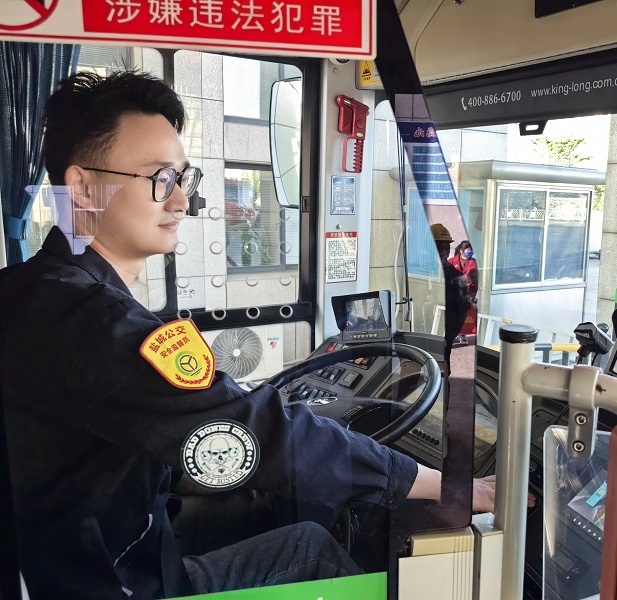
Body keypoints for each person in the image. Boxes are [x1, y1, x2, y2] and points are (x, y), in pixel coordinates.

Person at [0, 71, 497, 600]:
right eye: (160, 178)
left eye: (183, 179)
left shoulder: (29, 289)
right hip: (112, 578)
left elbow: (194, 429)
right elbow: (255, 427)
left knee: (271, 503)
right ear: (82, 187)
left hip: (93, 546)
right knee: (310, 548)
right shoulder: (94, 323)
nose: (181, 202)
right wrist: (439, 483)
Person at [430, 224, 471, 367]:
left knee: (442, 368)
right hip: (425, 333)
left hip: (443, 336)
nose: (444, 252)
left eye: (446, 248)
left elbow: (461, 313)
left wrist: (448, 337)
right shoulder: (427, 272)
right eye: (439, 247)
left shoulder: (456, 277)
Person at [448, 240, 478, 345]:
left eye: (471, 251)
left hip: (466, 294)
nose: (470, 253)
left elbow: (474, 279)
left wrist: (472, 295)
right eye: (468, 250)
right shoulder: (451, 261)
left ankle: (462, 335)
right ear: (461, 251)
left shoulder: (473, 263)